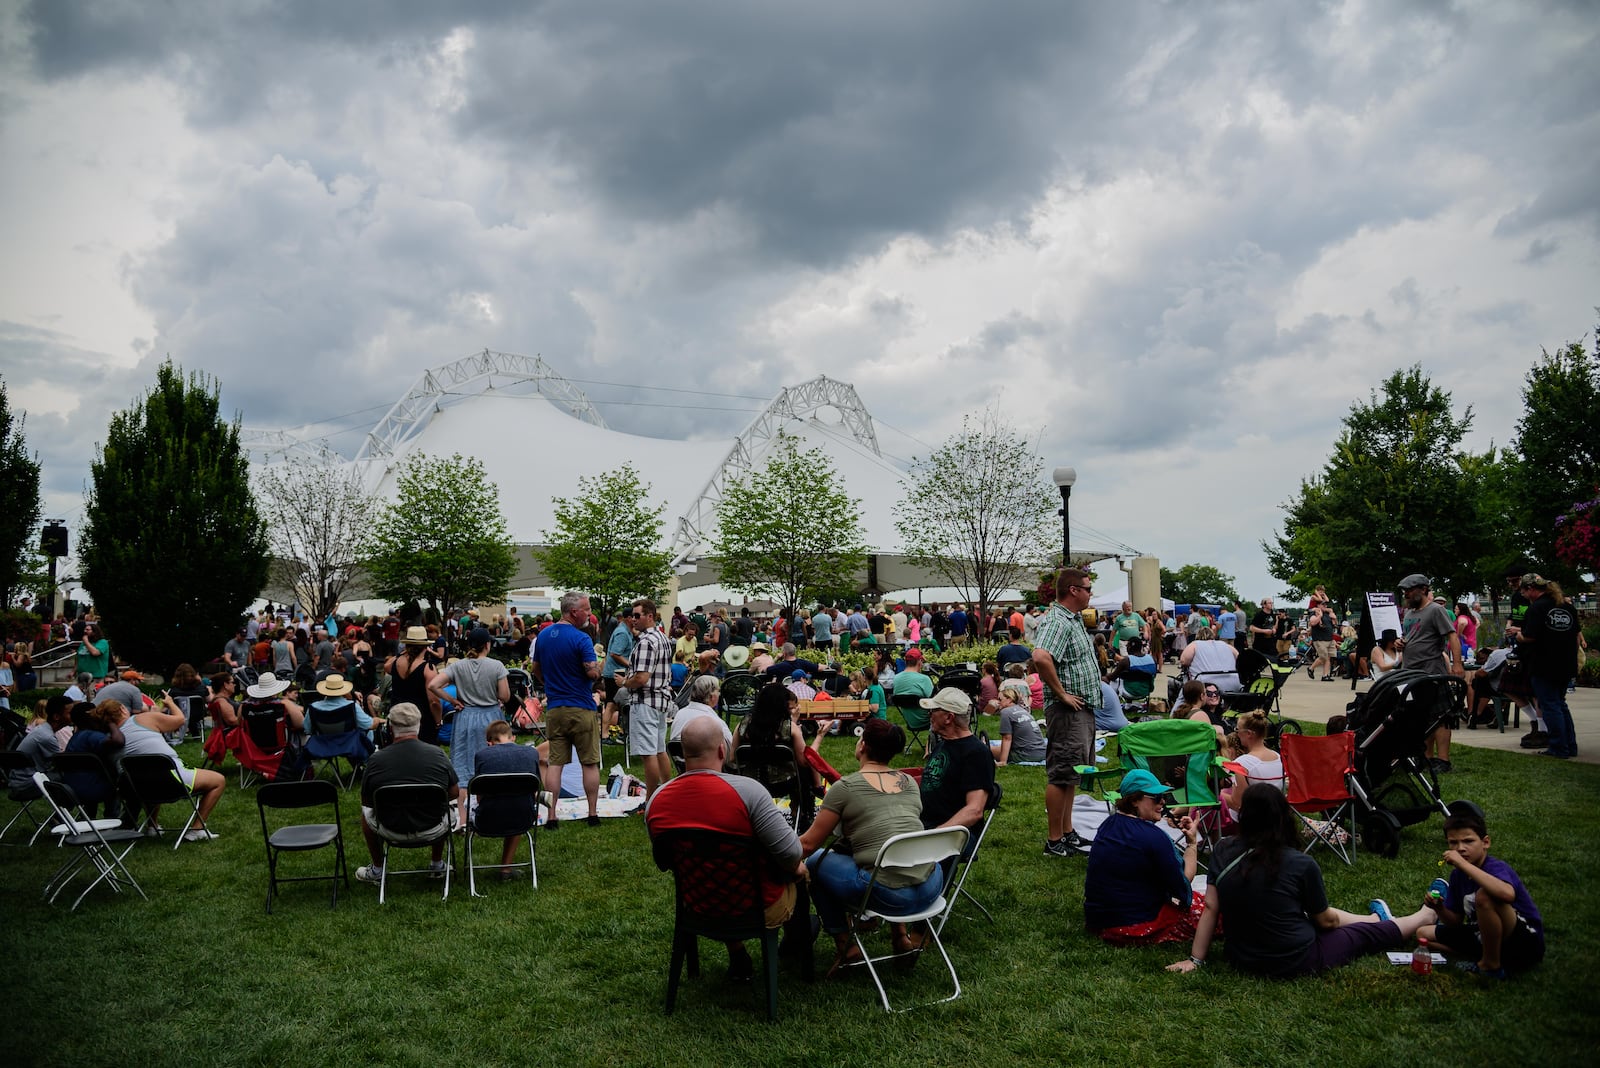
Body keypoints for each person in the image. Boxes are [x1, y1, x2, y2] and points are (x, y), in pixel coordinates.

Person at [1167, 784, 1437, 977]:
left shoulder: (1223, 850)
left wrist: (1196, 959)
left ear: (1245, 817)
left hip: (1243, 957)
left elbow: (1212, 908)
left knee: (1308, 916)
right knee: (1358, 936)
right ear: (1284, 818)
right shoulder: (1300, 863)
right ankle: (1419, 918)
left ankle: (1375, 919)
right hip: (1295, 958)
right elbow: (1325, 921)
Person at [647, 716, 806, 981]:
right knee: (800, 872)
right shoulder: (749, 793)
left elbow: (664, 861)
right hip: (756, 906)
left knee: (716, 870)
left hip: (698, 906)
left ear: (683, 754)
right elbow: (791, 853)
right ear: (723, 750)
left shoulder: (657, 800)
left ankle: (737, 953)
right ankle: (795, 942)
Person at [797, 717, 942, 974]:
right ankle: (900, 937)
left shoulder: (845, 788)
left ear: (862, 745)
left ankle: (847, 948)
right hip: (930, 887)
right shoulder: (909, 783)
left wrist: (769, 847)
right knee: (885, 857)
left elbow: (808, 844)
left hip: (891, 896)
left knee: (816, 862)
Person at [1417, 809, 1544, 977]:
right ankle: (1485, 955)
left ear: (1485, 842)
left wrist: (1462, 864)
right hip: (1482, 934)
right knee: (1423, 934)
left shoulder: (1495, 867)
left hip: (1524, 941)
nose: (1460, 848)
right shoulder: (1457, 875)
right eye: (1453, 843)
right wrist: (1439, 908)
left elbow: (1507, 894)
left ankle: (1490, 966)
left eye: (1468, 841)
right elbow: (1454, 921)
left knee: (1484, 896)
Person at [1084, 769, 1201, 944]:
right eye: (1156, 797)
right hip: (1134, 925)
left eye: (1163, 796)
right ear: (1134, 800)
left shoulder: (1107, 825)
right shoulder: (1154, 837)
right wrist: (1192, 843)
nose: (1162, 801)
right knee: (1211, 911)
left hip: (1098, 922)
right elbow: (1183, 883)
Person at [1033, 568, 1101, 858]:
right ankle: (1054, 840)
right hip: (1066, 710)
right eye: (1087, 588)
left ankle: (1068, 833)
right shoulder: (1058, 620)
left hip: (1079, 708)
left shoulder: (1072, 620)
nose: (1090, 594)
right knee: (1061, 773)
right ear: (1073, 590)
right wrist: (1061, 694)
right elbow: (1040, 656)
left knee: (1071, 773)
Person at [355, 703, 457, 884]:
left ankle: (377, 869)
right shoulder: (437, 754)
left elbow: (368, 802)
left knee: (365, 815)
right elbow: (454, 792)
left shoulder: (376, 760)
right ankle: (436, 863)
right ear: (418, 725)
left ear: (391, 728)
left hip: (390, 827)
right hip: (432, 825)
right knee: (443, 806)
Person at [531, 592, 604, 827]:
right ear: (574, 612)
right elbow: (591, 672)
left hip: (555, 708)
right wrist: (600, 670)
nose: (590, 613)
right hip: (581, 707)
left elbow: (536, 669)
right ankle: (592, 814)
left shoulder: (543, 637)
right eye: (587, 609)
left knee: (555, 764)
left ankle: (551, 817)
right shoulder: (582, 639)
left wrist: (549, 685)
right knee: (589, 762)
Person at [113, 693, 226, 842]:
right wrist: (171, 703)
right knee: (219, 780)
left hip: (137, 786)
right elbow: (180, 720)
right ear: (123, 710)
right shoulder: (142, 718)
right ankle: (197, 829)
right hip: (171, 782)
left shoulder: (110, 735)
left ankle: (152, 826)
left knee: (149, 772)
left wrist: (157, 712)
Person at [428, 627, 510, 828]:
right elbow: (505, 696)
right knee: (492, 764)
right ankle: (490, 812)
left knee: (464, 767)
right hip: (490, 717)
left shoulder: (458, 667)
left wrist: (453, 700)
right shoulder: (496, 665)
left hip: (465, 718)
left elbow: (433, 685)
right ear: (487, 645)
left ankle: (463, 819)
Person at [1396, 573, 1464, 773]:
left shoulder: (1436, 610)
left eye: (1410, 590)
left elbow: (1452, 636)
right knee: (1421, 717)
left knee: (1440, 717)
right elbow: (1410, 637)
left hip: (1432, 671)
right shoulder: (1409, 613)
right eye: (1404, 591)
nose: (1406, 594)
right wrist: (1401, 643)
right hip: (1411, 672)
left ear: (1423, 589)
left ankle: (1443, 760)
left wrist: (1457, 664)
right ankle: (1427, 757)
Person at [1508, 574, 1580, 759]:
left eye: (1523, 590)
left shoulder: (1537, 608)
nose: (1523, 594)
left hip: (1544, 663)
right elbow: (1576, 634)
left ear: (1531, 589)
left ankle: (1558, 747)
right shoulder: (1567, 607)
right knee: (1560, 704)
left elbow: (1530, 636)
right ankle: (1570, 746)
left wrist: (1519, 636)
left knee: (1550, 705)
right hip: (1566, 662)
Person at [917, 687, 994, 832]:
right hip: (923, 827)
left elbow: (974, 810)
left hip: (951, 836)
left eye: (933, 710)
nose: (929, 715)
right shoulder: (942, 745)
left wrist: (936, 833)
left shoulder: (976, 754)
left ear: (948, 718)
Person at [472, 719, 541, 879]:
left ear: (489, 743)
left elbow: (479, 796)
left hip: (487, 819)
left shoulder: (482, 756)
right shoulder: (531, 753)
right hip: (523, 818)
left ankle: (503, 868)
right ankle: (506, 868)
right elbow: (535, 789)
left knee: (506, 804)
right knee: (516, 803)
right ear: (513, 738)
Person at [623, 598, 674, 800]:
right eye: (632, 616)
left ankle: (651, 800)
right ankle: (666, 794)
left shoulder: (646, 642)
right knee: (660, 749)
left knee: (649, 754)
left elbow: (641, 678)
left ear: (650, 616)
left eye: (637, 615)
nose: (633, 619)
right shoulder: (662, 638)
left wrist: (625, 682)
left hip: (646, 701)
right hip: (660, 701)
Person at [732, 683, 813, 810]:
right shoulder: (790, 728)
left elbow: (732, 758)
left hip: (750, 784)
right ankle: (800, 811)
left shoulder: (742, 726)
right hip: (784, 784)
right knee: (804, 771)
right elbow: (804, 762)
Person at [1224, 710, 1283, 820]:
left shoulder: (1242, 763)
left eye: (1237, 730)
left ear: (1249, 734)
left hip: (1250, 822)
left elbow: (1238, 804)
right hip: (1275, 816)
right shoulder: (1277, 757)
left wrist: (1216, 794)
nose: (1236, 733)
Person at [387, 627, 442, 743]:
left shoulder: (397, 662)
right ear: (425, 647)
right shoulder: (428, 668)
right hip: (420, 719)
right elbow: (434, 701)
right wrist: (438, 720)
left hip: (397, 713)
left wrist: (402, 653)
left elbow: (387, 666)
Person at [670, 674, 733, 748]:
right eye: (718, 691)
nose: (719, 694)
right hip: (704, 757)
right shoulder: (714, 721)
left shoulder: (680, 714)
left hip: (679, 757)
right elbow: (731, 749)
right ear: (712, 696)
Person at [986, 686, 1046, 765]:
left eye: (1000, 699)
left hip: (1027, 754)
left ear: (1009, 699)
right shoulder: (1022, 710)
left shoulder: (1006, 712)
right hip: (1042, 752)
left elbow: (1007, 738)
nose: (998, 702)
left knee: (985, 750)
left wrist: (1002, 761)